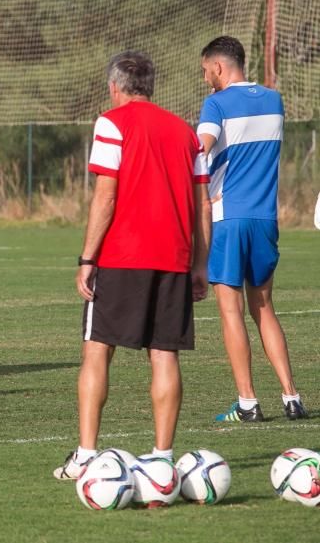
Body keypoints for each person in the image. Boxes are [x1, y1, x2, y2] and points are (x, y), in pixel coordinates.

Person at [54, 51, 211, 479]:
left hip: (122, 256)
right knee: (164, 357)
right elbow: (202, 204)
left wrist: (88, 258)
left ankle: (87, 454)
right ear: (152, 86)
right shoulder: (185, 132)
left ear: (114, 86)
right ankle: (162, 459)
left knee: (97, 349)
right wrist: (200, 264)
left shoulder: (111, 122)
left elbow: (106, 195)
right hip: (174, 258)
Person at [196, 35, 308, 422]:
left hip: (226, 216)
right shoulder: (275, 100)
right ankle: (291, 397)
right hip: (265, 219)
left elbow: (201, 147)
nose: (206, 78)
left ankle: (247, 403)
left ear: (219, 67)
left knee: (231, 310)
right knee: (265, 308)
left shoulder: (216, 103)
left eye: (206, 70)